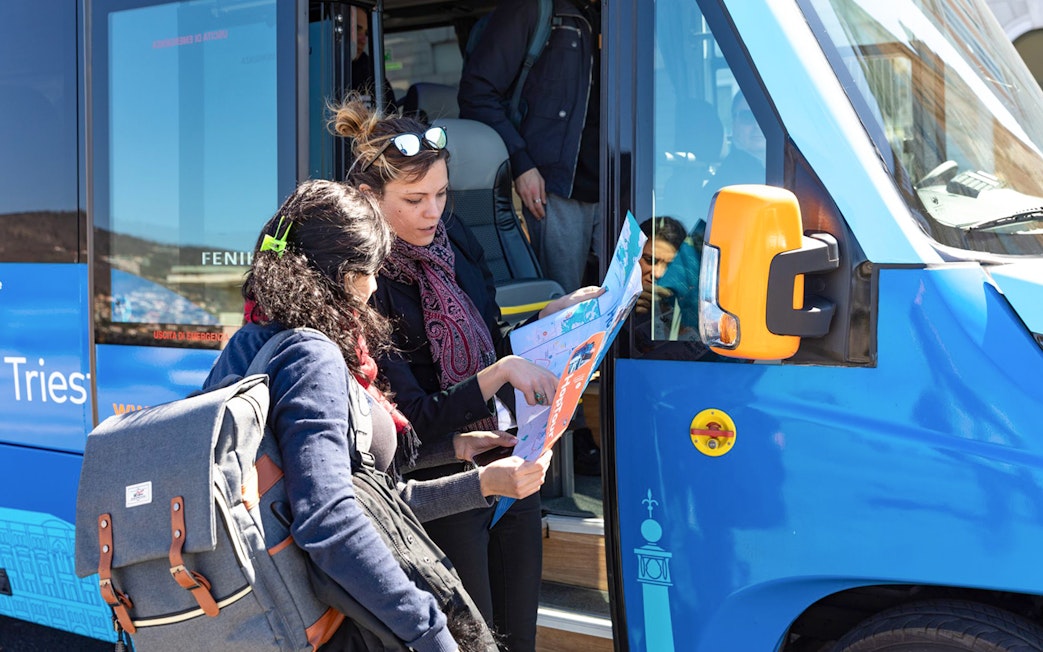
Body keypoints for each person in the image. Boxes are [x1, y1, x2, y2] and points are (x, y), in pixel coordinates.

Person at [204, 179, 553, 651]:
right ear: (348, 277)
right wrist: (429, 631)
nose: (374, 288)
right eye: (372, 271)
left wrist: (468, 467)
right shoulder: (313, 357)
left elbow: (368, 498)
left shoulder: (253, 340)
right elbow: (329, 520)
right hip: (330, 621)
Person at [333, 95, 601, 651]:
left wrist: (550, 320)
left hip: (509, 458)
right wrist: (502, 370)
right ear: (368, 200)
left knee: (519, 638)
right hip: (442, 489)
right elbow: (413, 421)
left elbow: (490, 334)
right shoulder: (363, 287)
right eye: (414, 199)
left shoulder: (453, 240)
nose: (433, 211)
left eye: (441, 194)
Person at [458, 0, 602, 294]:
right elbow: (477, 93)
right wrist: (522, 165)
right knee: (564, 305)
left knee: (625, 301)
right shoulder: (533, 8)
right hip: (556, 189)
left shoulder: (621, 15)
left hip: (620, 183)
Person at [630, 216, 686, 354]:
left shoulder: (686, 311)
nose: (658, 274)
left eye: (670, 267)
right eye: (650, 260)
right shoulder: (607, 305)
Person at [350, 6, 397, 112]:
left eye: (366, 33)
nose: (363, 40)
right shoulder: (322, 69)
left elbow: (390, 118)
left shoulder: (373, 75)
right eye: (357, 30)